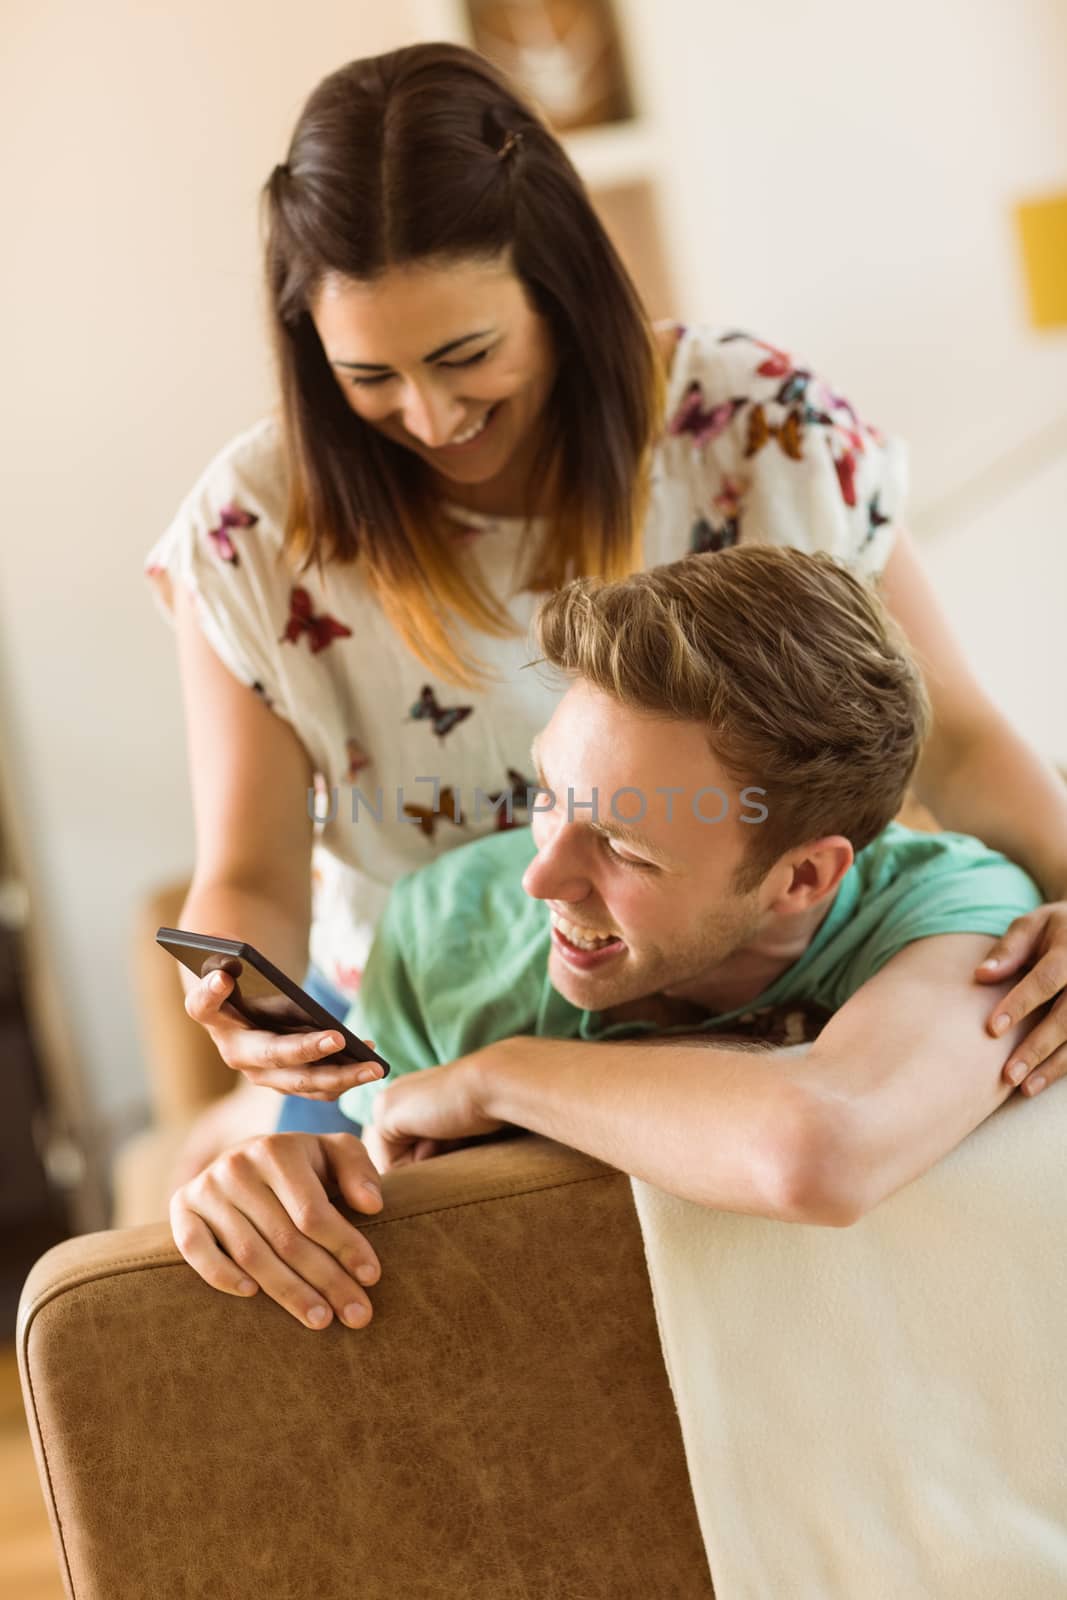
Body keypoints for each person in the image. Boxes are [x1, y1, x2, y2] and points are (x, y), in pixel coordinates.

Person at [146, 42, 1067, 1189]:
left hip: (746, 969)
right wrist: (246, 1010)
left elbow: (957, 735)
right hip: (416, 1004)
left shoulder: (752, 427)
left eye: (464, 354)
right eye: (368, 377)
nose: (428, 417)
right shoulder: (251, 528)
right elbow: (252, 872)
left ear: (557, 286)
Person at [169, 547, 1044, 1332]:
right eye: (548, 793)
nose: (540, 877)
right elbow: (369, 1187)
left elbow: (816, 1153)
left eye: (623, 848)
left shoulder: (957, 912)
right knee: (216, 1151)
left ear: (803, 878)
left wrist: (496, 1077)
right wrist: (274, 1177)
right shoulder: (446, 931)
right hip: (386, 987)